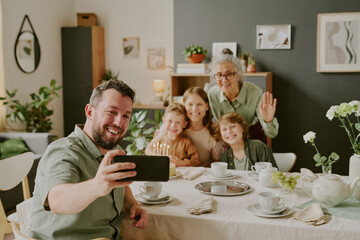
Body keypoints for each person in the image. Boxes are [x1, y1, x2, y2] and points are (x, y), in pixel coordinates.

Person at [29, 80, 148, 239]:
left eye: (126, 116)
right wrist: (96, 186)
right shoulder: (63, 151)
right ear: (90, 112)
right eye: (111, 112)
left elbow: (120, 185)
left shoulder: (115, 152)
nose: (119, 122)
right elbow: (57, 200)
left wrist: (132, 204)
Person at [207, 48, 279, 143]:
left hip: (252, 141)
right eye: (219, 75)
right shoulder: (212, 94)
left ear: (238, 74)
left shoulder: (255, 93)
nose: (224, 80)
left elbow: (272, 134)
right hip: (226, 143)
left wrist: (268, 121)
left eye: (229, 74)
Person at [183, 87, 223, 167]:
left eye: (199, 104)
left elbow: (217, 165)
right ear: (184, 106)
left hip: (204, 176)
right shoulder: (175, 126)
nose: (194, 109)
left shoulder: (214, 132)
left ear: (207, 106)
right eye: (190, 104)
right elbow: (150, 149)